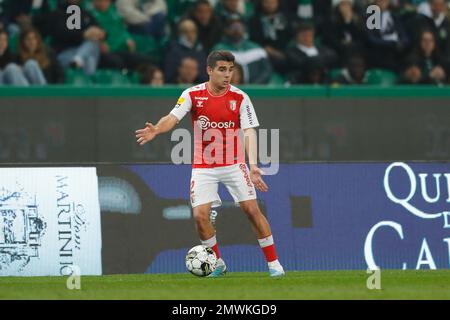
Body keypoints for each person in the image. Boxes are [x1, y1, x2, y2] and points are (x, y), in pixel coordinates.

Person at [135, 50, 285, 277]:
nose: (228, 75)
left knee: (252, 209)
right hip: (204, 167)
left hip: (235, 164)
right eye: (222, 70)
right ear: (209, 70)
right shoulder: (192, 95)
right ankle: (218, 263)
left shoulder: (240, 97)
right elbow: (172, 118)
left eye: (231, 70)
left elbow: (249, 132)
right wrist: (157, 128)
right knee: (199, 216)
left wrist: (253, 165)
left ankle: (274, 264)